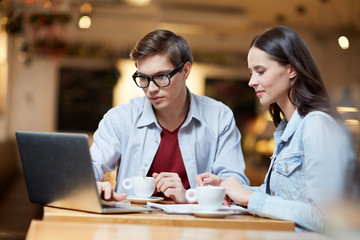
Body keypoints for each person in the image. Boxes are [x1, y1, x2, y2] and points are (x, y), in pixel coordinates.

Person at [196, 26, 357, 232]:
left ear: (291, 69)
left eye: (260, 71)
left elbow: (323, 216)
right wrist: (228, 186)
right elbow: (276, 197)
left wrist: (249, 197)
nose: (252, 82)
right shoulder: (287, 129)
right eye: (251, 72)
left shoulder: (317, 126)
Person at [91, 29, 249, 203]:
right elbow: (91, 165)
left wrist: (190, 197)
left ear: (186, 71)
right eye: (143, 78)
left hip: (195, 226)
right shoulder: (120, 118)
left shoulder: (219, 117)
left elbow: (235, 184)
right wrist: (91, 184)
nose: (151, 89)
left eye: (161, 76)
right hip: (132, 223)